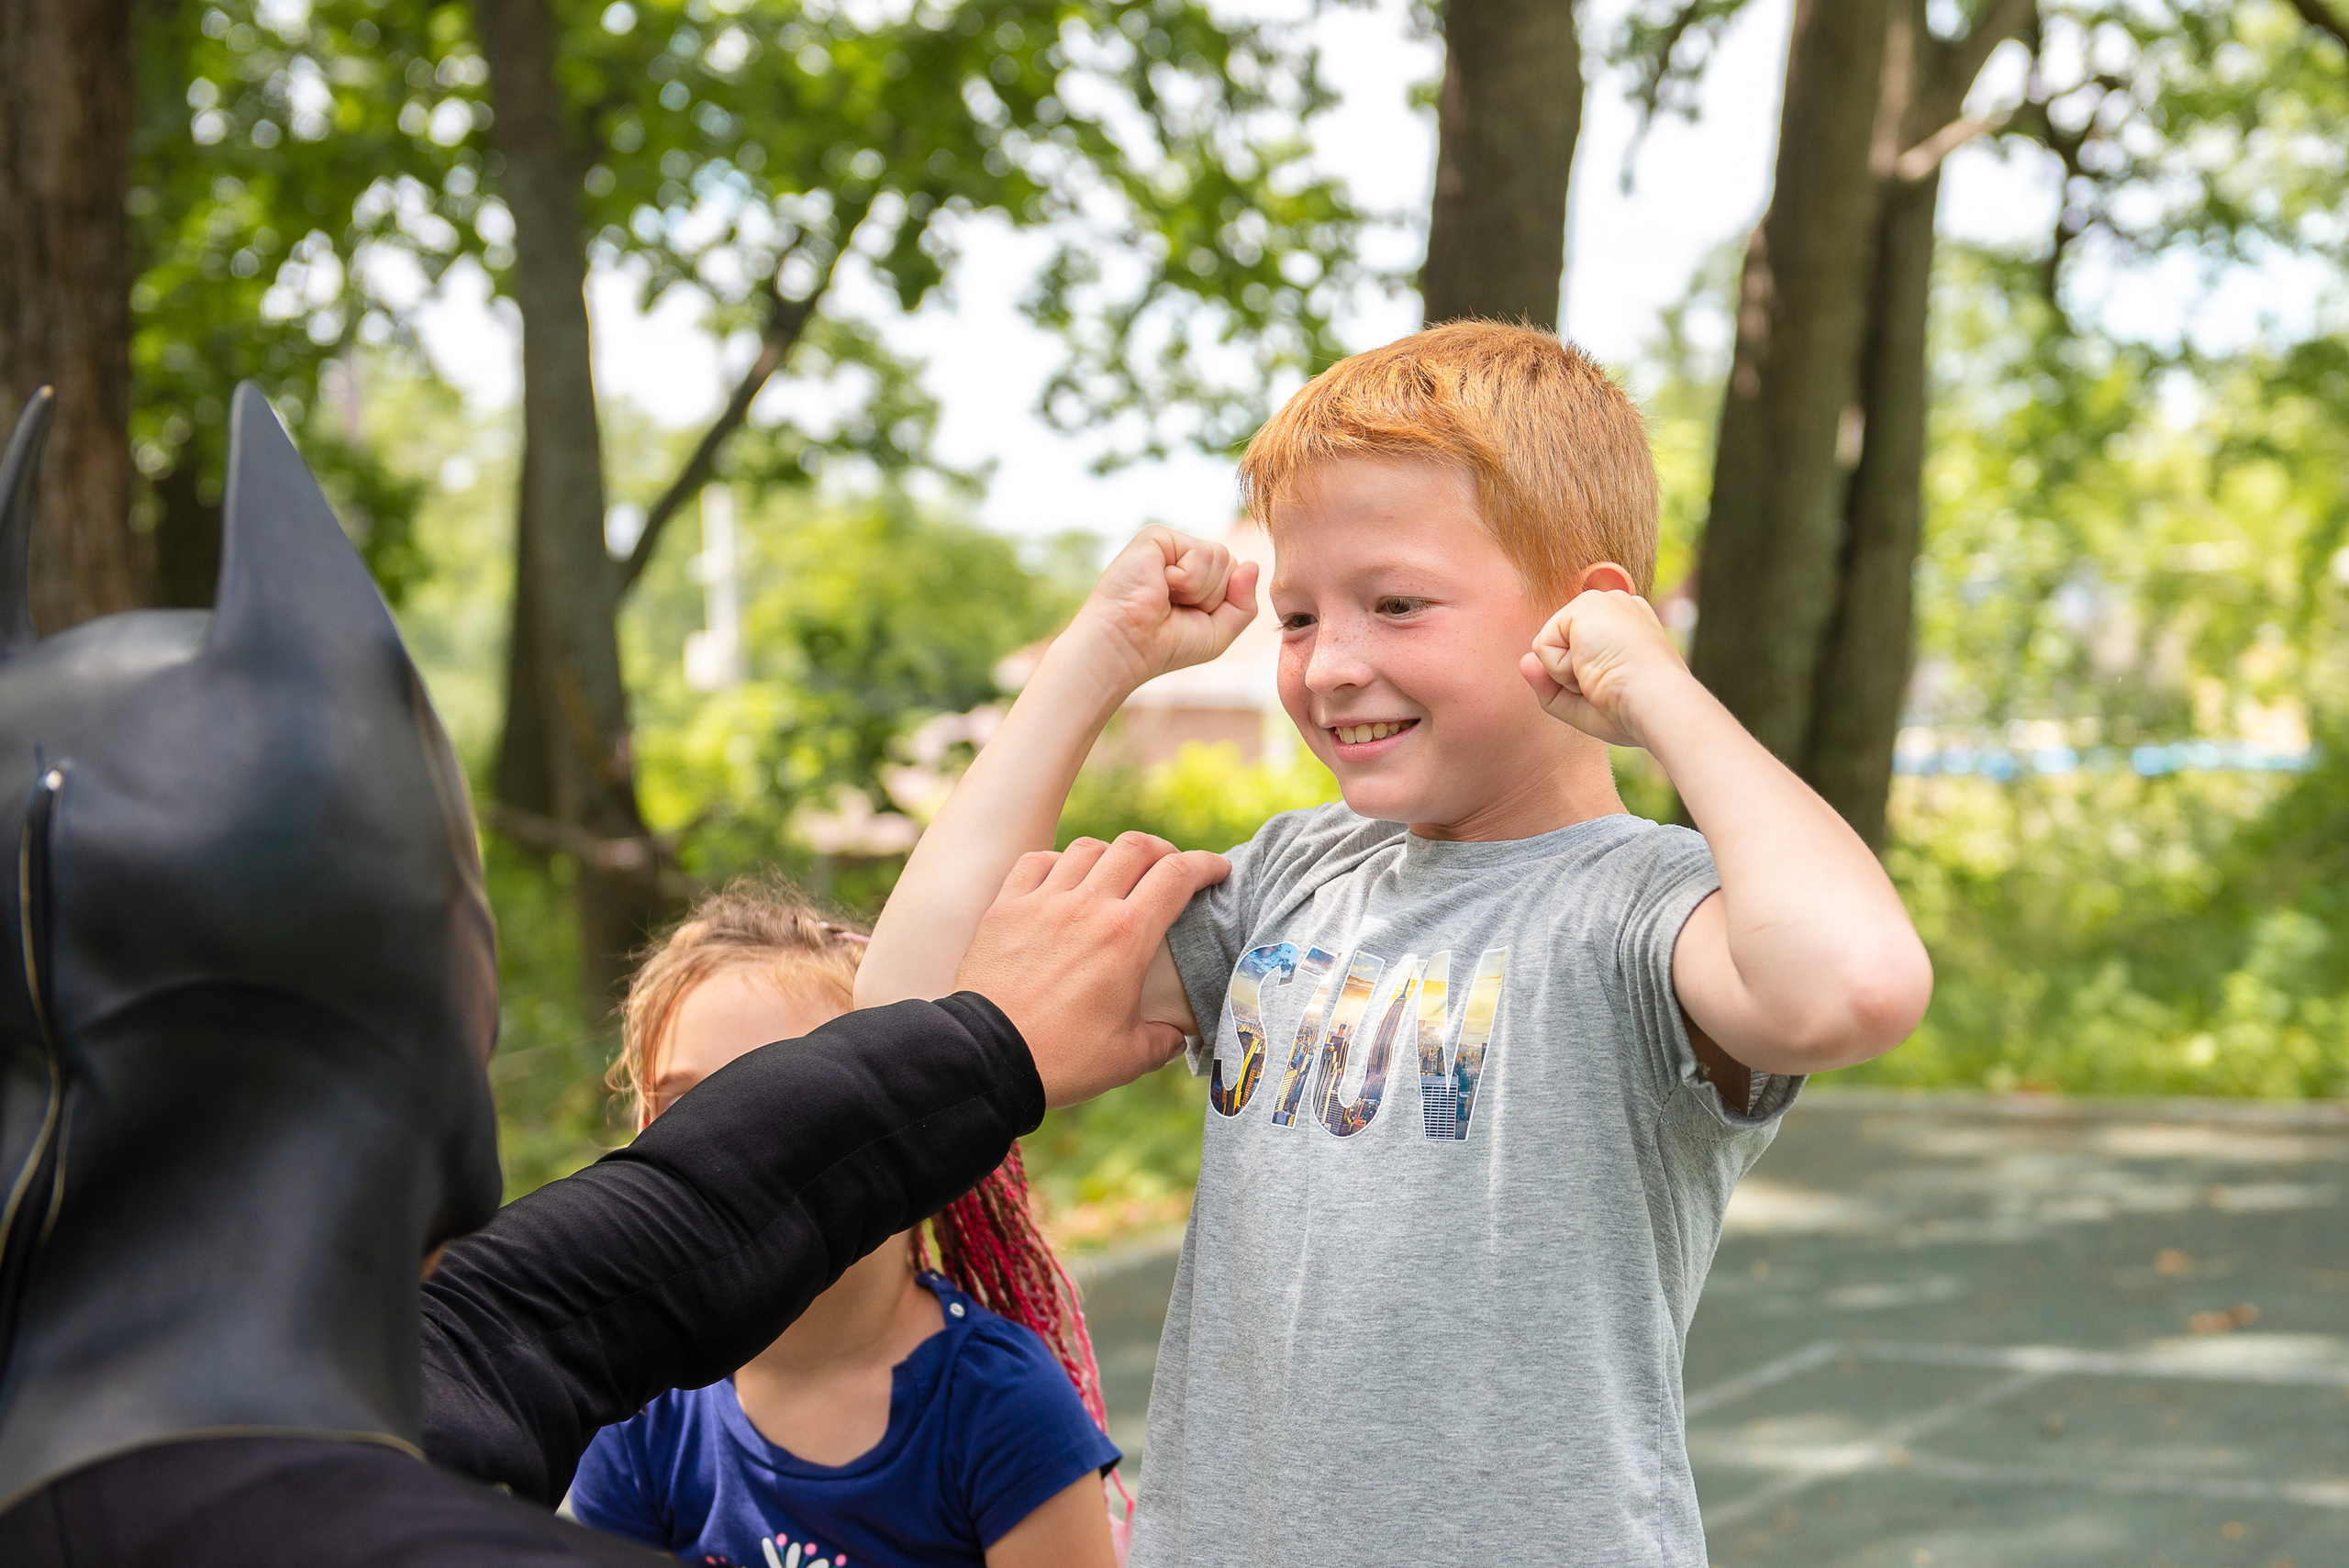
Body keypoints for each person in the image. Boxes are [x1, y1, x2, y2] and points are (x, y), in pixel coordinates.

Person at [0, 384, 1221, 1566]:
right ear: (441, 1058)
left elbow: (699, 1215)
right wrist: (977, 1036)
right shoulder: (463, 1398)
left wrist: (982, 1033)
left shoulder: (433, 1363)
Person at [853, 322, 1935, 1565]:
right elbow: (908, 1023)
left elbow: (1855, 984)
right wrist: (1096, 662)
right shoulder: (1288, 883)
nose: (1332, 665)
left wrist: (1663, 693)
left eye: (1397, 604)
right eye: (1302, 616)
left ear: (1586, 622)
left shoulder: (1644, 913)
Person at [563, 883, 1123, 1567]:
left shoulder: (1001, 1404)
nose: (734, 1151)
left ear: (922, 1138)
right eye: (690, 1103)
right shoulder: (641, 1411)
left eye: (802, 1103)